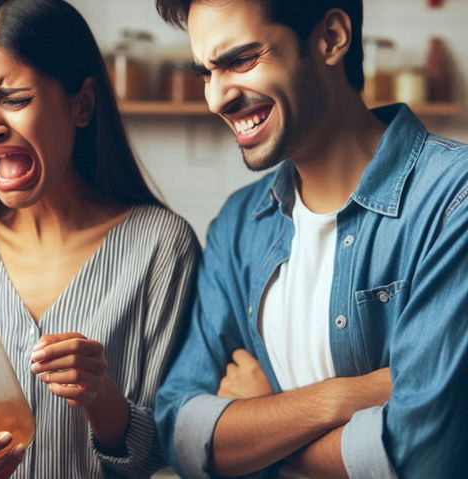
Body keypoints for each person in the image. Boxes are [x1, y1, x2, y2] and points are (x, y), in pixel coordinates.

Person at [154, 0, 468, 478]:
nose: (216, 98)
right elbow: (180, 430)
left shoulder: (452, 200)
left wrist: (262, 419)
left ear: (331, 38)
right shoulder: (239, 225)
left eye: (241, 60)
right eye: (205, 72)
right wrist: (337, 400)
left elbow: (422, 456)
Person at [0, 0, 200, 477]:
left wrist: (102, 396)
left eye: (13, 98)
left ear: (82, 104)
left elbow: (166, 448)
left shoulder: (162, 244)